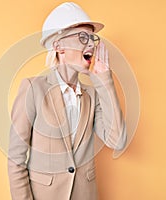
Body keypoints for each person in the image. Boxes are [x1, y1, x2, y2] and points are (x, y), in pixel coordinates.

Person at [8, 2, 126, 200]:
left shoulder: (93, 95)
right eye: (82, 37)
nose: (90, 44)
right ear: (58, 46)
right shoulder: (33, 89)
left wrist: (105, 80)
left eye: (92, 39)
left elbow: (118, 141)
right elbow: (16, 159)